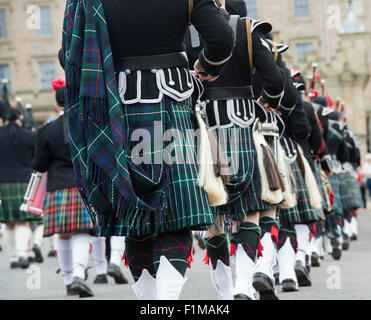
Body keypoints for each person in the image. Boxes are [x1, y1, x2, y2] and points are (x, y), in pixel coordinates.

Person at [61, 0, 234, 300]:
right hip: (171, 99)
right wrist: (208, 66)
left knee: (135, 221)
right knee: (177, 218)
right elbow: (221, 37)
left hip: (116, 110)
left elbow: (70, 56)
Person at [186, 0, 297, 300]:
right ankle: (242, 287)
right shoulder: (247, 31)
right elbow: (275, 81)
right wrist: (267, 103)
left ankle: (224, 296)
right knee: (251, 211)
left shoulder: (185, 29)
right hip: (242, 125)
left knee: (212, 218)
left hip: (201, 130)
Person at [32, 79, 95, 297]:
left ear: (57, 105)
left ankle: (69, 280)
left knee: (63, 234)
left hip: (57, 187)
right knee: (82, 231)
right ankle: (79, 273)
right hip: (82, 186)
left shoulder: (46, 130)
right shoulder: (86, 124)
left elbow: (39, 165)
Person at [0, 81, 38, 269]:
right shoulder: (28, 135)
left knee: (8, 222)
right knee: (23, 221)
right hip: (24, 181)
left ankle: (13, 257)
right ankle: (23, 253)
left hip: (2, 182)